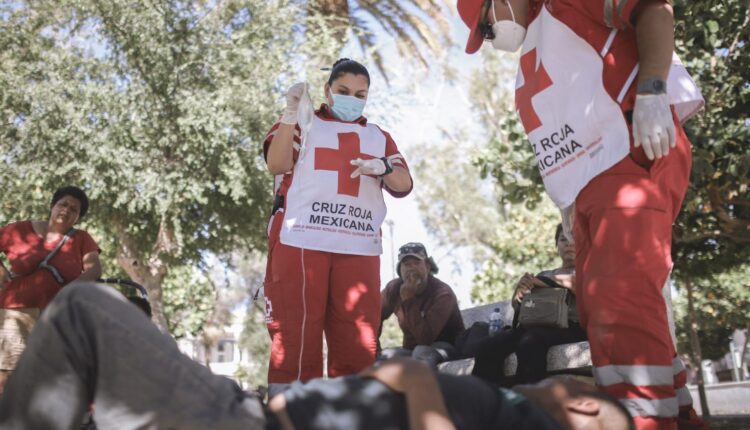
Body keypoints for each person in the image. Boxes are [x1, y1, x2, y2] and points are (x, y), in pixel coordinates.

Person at [457, 1, 706, 428]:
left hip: (628, 156)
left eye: (487, 28)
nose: (495, 41)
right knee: (604, 309)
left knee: (622, 299)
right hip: (592, 185)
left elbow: (653, 9)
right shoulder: (539, 41)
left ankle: (644, 420)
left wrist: (651, 89)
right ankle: (677, 413)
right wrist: (571, 203)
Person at [0, 282, 635, 430]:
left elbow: (407, 377)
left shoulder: (511, 422)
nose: (579, 386)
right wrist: (414, 385)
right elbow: (393, 371)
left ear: (579, 407)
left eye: (597, 408)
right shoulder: (495, 403)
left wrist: (421, 393)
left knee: (85, 309)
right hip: (257, 411)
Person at [262, 58, 413, 392]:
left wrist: (384, 167)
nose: (352, 99)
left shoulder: (378, 137)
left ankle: (354, 415)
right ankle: (293, 416)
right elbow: (277, 163)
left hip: (355, 246)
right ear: (328, 91)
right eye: (343, 91)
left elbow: (403, 183)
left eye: (360, 94)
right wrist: (289, 114)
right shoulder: (305, 123)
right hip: (301, 241)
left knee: (357, 341)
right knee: (296, 338)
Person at [0, 185, 101, 395]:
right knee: (8, 376)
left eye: (74, 209)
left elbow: (94, 270)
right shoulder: (18, 230)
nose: (66, 210)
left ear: (78, 218)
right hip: (17, 312)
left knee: (51, 379)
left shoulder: (82, 238)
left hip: (58, 316)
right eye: (63, 204)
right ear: (51, 206)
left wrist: (68, 292)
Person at [472, 224, 587, 385]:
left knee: (530, 342)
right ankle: (490, 400)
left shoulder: (589, 270)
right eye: (563, 239)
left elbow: (579, 285)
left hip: (572, 327)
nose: (568, 243)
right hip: (536, 325)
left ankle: (529, 400)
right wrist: (520, 292)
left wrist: (541, 282)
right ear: (556, 245)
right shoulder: (544, 274)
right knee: (488, 346)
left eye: (574, 238)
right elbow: (519, 306)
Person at [378, 242, 465, 367]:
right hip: (411, 351)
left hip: (445, 348)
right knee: (383, 357)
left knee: (421, 352)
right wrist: (374, 348)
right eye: (406, 264)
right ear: (400, 270)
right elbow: (373, 316)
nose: (411, 268)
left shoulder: (443, 293)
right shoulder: (394, 288)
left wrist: (408, 300)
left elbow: (425, 339)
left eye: (417, 263)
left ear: (428, 267)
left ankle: (423, 386)